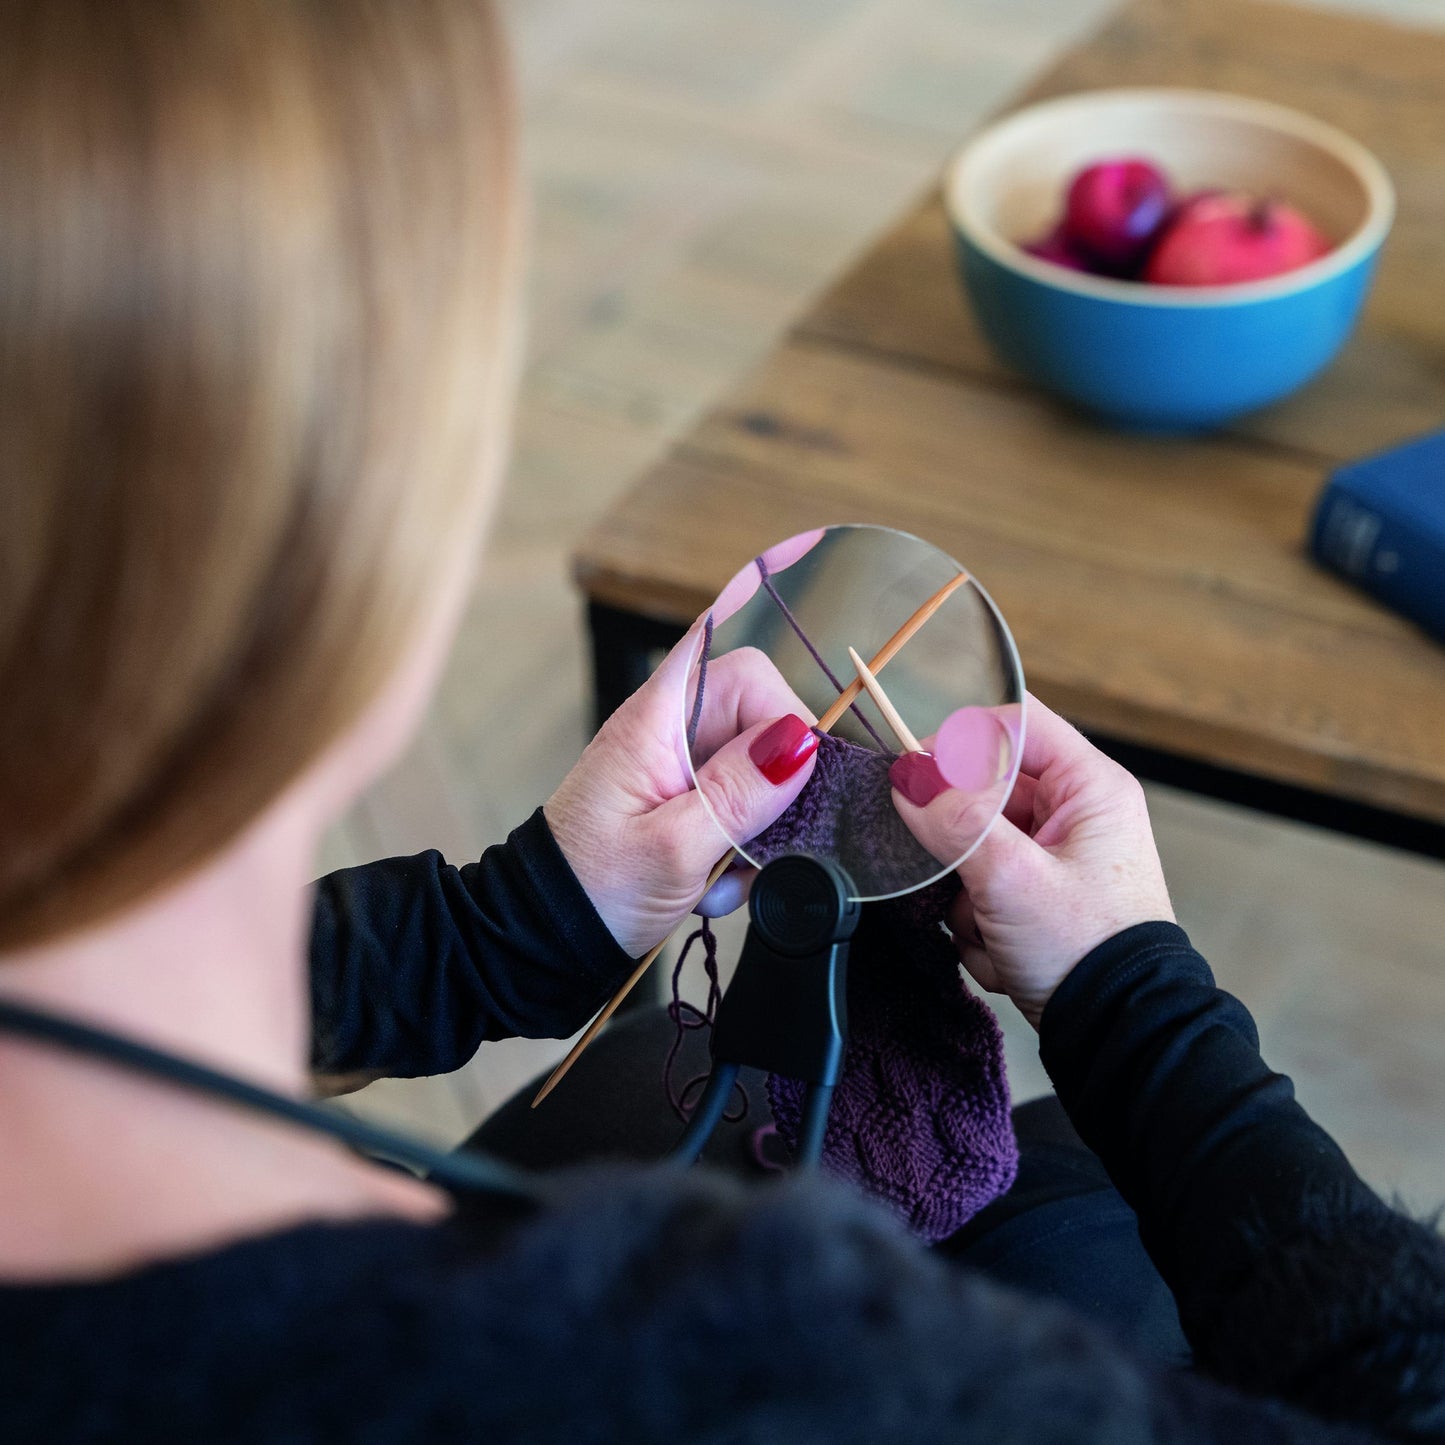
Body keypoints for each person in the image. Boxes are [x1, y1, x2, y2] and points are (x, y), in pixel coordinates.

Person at [0, 3, 1442, 1441]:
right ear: (349, 568)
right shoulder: (753, 1362)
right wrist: (1142, 1009)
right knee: (1080, 1188)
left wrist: (495, 935)